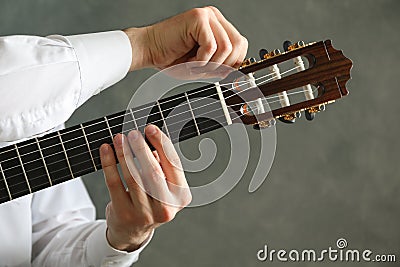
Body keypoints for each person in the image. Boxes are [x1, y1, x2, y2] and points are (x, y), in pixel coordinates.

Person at [0, 6, 248, 267]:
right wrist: (142, 45)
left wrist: (121, 240)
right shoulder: (33, 110)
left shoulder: (34, 117)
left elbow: (44, 243)